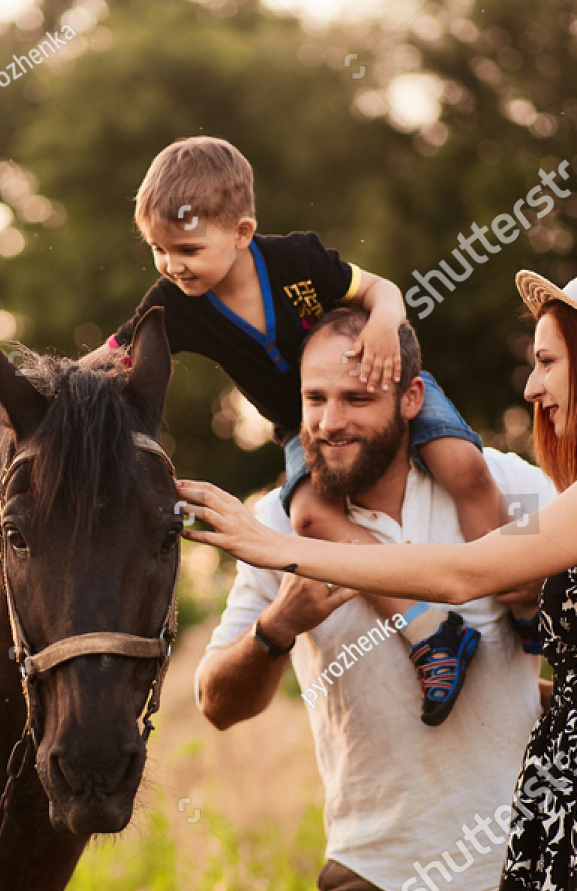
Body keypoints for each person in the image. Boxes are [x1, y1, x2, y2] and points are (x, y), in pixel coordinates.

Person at [178, 257, 577, 891]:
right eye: (314, 397)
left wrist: (276, 544)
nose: (532, 385)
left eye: (546, 362)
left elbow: (463, 575)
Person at [102, 135, 538, 724]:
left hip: (381, 378)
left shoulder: (297, 263)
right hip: (298, 428)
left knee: (461, 463)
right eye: (157, 249)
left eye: (185, 247)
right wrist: (51, 389)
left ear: (241, 232)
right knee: (309, 520)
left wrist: (386, 319)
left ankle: (522, 599)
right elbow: (115, 356)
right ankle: (431, 631)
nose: (171, 264)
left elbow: (379, 289)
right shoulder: (175, 303)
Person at [195, 306, 556, 891]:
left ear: (412, 399)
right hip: (374, 878)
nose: (330, 421)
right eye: (315, 398)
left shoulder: (507, 487)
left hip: (527, 862)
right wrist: (279, 624)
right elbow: (215, 703)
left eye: (357, 398)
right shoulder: (273, 524)